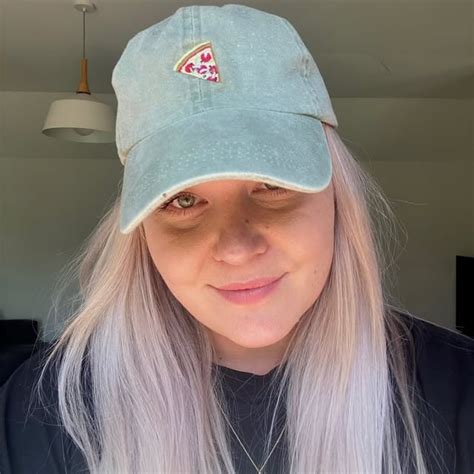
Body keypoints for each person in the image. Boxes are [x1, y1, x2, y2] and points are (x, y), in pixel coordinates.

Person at [1, 4, 473, 474]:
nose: (236, 248)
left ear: (337, 197)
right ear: (141, 232)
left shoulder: (458, 392)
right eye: (183, 200)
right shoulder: (46, 414)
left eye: (271, 184)